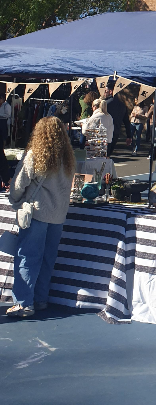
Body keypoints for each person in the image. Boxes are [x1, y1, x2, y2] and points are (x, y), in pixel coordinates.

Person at [6, 117, 76, 317]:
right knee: (47, 258)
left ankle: (23, 302)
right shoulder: (68, 159)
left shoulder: (36, 155)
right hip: (58, 215)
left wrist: (15, 201)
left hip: (37, 212)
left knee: (28, 257)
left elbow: (19, 184)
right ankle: (40, 298)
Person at [103, 82, 132, 156]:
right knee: (108, 154)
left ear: (110, 91)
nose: (104, 94)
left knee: (102, 155)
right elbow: (126, 121)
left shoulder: (105, 104)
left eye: (105, 91)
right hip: (115, 132)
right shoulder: (122, 105)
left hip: (105, 132)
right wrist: (129, 136)